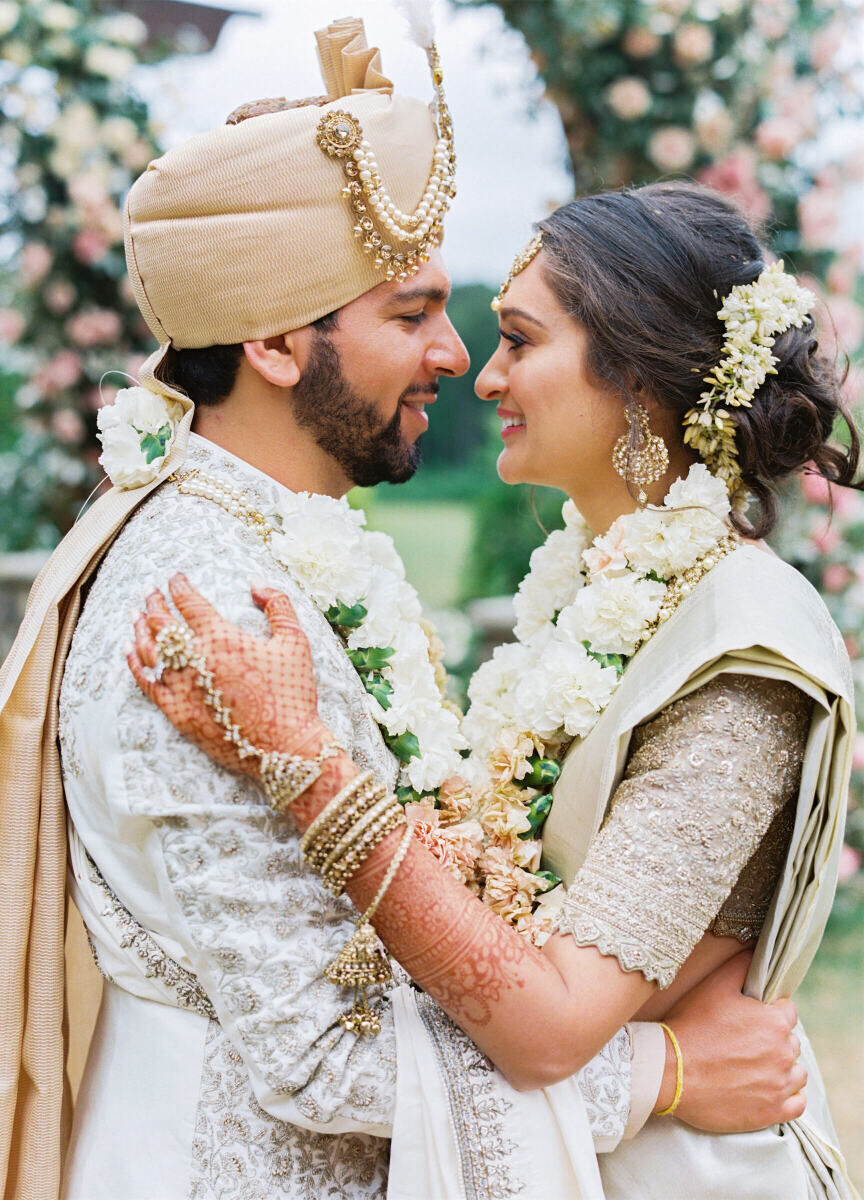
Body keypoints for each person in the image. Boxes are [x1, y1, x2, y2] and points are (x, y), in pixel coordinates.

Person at [0, 15, 807, 1200]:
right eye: (410, 313)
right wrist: (667, 1074)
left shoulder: (277, 558)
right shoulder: (208, 596)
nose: (456, 356)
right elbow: (326, 1059)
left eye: (487, 325)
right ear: (276, 340)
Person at [128, 180, 860, 1199]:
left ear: (639, 380)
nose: (483, 375)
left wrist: (308, 767)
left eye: (519, 340)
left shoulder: (741, 650)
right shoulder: (593, 589)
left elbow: (551, 1020)